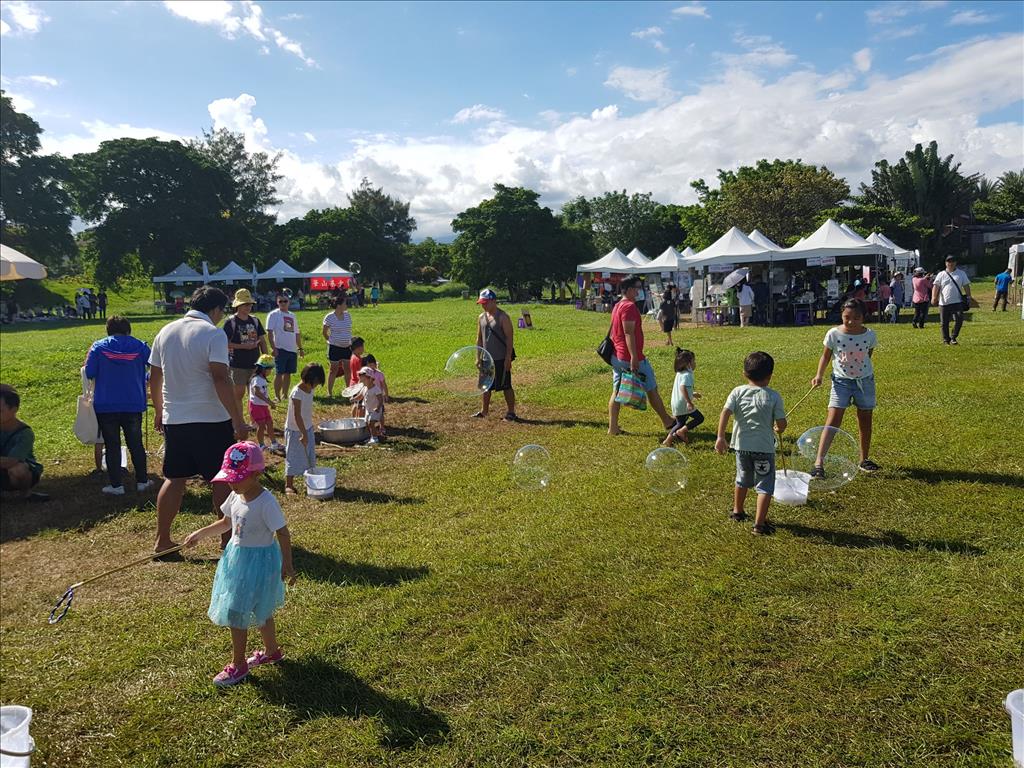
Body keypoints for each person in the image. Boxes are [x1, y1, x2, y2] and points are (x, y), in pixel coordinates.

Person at [182, 441, 295, 687]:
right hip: (237, 560)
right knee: (257, 608)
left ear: (256, 474)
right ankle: (272, 651)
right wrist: (201, 533)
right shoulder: (235, 495)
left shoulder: (266, 502)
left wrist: (287, 563)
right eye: (230, 477)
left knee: (240, 612)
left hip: (259, 563)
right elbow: (225, 523)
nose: (232, 483)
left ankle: (239, 665)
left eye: (238, 477)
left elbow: (283, 533)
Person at [149, 286, 250, 555]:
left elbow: (155, 377)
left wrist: (159, 410)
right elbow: (220, 377)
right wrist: (237, 419)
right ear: (215, 309)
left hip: (176, 419)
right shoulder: (213, 334)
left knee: (174, 478)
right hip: (210, 419)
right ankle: (228, 542)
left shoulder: (165, 331)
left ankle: (162, 541)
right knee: (221, 479)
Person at [715, 352, 786, 536]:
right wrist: (779, 428)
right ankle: (759, 525)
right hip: (764, 450)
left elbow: (725, 413)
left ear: (744, 373)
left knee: (742, 479)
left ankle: (737, 512)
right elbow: (782, 424)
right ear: (770, 375)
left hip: (741, 447)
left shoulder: (737, 392)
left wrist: (720, 437)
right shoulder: (774, 396)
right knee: (765, 486)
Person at [810, 298, 880, 475]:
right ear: (841, 314)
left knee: (865, 419)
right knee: (833, 419)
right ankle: (819, 463)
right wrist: (819, 375)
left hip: (864, 382)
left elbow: (867, 355)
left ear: (863, 317)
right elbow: (825, 356)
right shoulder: (834, 334)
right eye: (846, 317)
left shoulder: (869, 335)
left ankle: (864, 460)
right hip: (840, 382)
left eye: (856, 318)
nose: (851, 321)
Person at [84, 315, 152, 495]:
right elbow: (155, 369)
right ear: (128, 329)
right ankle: (142, 481)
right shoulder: (141, 346)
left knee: (112, 445)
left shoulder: (98, 347)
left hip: (106, 404)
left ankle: (116, 485)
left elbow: (89, 372)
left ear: (108, 330)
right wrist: (143, 378)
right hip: (133, 403)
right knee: (136, 444)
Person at [608, 277, 674, 435]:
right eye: (637, 288)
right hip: (629, 356)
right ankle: (667, 421)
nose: (638, 291)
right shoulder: (629, 307)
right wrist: (634, 357)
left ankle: (613, 427)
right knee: (651, 388)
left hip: (617, 356)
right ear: (629, 289)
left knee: (616, 392)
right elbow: (629, 332)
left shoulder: (618, 305)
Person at [473, 288, 518, 421]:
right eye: (481, 303)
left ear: (493, 301)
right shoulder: (481, 317)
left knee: (506, 385)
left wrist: (508, 358)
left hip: (501, 358)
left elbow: (510, 339)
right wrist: (478, 357)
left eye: (485, 302)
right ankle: (484, 411)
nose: (483, 305)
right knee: (485, 387)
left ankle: (511, 412)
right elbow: (479, 338)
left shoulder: (503, 317)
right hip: (486, 358)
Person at [0, 384, 48, 502]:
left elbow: (11, 461)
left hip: (16, 472)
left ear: (14, 410)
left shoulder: (25, 433)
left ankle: (26, 494)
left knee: (18, 469)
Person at [223, 289, 268, 413]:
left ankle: (254, 420)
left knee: (254, 393)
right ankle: (240, 422)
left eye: (250, 304)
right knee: (238, 394)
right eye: (245, 304)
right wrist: (244, 347)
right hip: (237, 365)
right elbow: (225, 344)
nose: (249, 307)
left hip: (255, 364)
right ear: (238, 305)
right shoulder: (230, 322)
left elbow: (262, 341)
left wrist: (266, 360)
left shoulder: (255, 320)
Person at [284, 362, 325, 495]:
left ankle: (310, 479)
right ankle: (288, 484)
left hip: (307, 427)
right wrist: (303, 434)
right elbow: (297, 416)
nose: (315, 386)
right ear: (307, 379)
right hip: (295, 429)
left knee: (309, 454)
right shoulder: (296, 393)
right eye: (315, 383)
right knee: (293, 455)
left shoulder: (310, 389)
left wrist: (307, 432)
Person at [266, 292, 303, 402]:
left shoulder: (292, 315)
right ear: (277, 302)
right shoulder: (273, 315)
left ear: (289, 302)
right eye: (280, 301)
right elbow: (269, 332)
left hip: (292, 349)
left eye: (285, 301)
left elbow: (297, 333)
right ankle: (277, 396)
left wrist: (300, 348)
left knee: (288, 373)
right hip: (280, 349)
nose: (283, 303)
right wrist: (274, 348)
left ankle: (285, 394)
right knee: (279, 373)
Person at [663, 348, 704, 447]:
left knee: (680, 422)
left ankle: (669, 440)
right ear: (688, 364)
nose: (695, 363)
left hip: (676, 402)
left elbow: (681, 388)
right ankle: (681, 432)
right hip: (683, 403)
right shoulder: (686, 375)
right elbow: (682, 388)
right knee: (699, 418)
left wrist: (692, 393)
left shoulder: (679, 373)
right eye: (694, 361)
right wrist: (689, 402)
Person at [931, 255, 972, 345]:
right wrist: (934, 297)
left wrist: (969, 297)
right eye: (949, 261)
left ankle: (953, 337)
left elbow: (966, 286)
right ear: (946, 263)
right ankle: (946, 340)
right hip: (944, 303)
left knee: (959, 320)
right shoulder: (941, 274)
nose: (951, 263)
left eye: (952, 261)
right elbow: (936, 286)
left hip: (957, 302)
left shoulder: (961, 273)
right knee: (944, 323)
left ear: (955, 263)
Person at [322, 294, 353, 397]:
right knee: (333, 369)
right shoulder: (330, 317)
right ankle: (329, 392)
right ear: (339, 305)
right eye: (345, 303)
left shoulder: (348, 315)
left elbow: (348, 329)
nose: (346, 305)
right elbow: (324, 332)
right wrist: (330, 341)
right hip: (334, 347)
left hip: (347, 347)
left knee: (347, 369)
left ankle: (349, 390)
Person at [249, 355, 280, 452]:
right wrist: (269, 402)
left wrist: (269, 402)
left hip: (263, 406)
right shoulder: (257, 379)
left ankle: (274, 443)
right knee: (261, 425)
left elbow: (264, 394)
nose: (270, 371)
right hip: (256, 406)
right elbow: (257, 393)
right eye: (269, 369)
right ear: (263, 369)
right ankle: (261, 445)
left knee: (269, 423)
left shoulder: (262, 379)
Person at [358, 367, 384, 445]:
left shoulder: (376, 389)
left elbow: (380, 399)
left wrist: (378, 407)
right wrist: (353, 399)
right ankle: (372, 436)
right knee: (366, 423)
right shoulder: (364, 388)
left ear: (370, 379)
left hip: (375, 410)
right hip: (368, 410)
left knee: (371, 422)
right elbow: (360, 396)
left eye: (363, 380)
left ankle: (375, 438)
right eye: (361, 381)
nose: (362, 382)